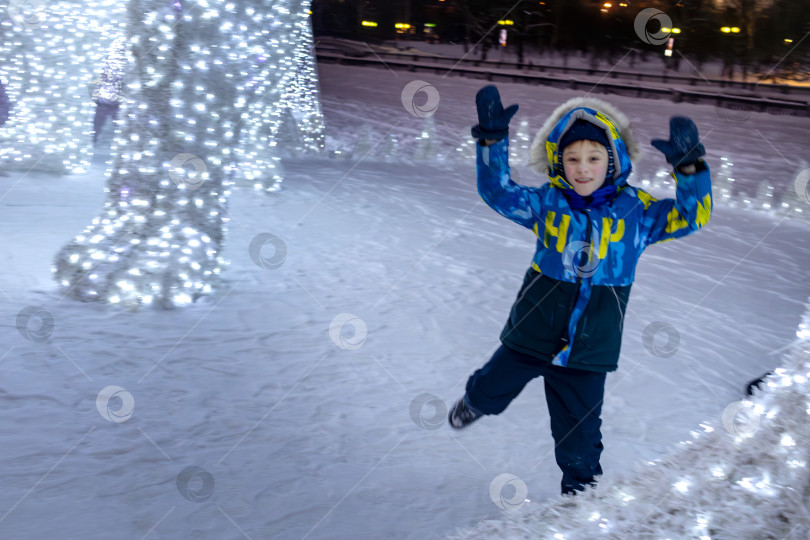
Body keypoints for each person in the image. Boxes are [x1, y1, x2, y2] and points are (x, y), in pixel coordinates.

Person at [448, 86, 713, 496]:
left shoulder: (637, 212)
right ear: (558, 160)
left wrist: (690, 168)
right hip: (533, 330)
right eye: (572, 158)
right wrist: (491, 140)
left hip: (590, 348)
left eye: (594, 157)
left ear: (614, 160)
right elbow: (497, 192)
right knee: (492, 384)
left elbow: (691, 215)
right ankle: (475, 402)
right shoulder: (547, 203)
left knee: (580, 433)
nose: (582, 168)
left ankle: (581, 497)